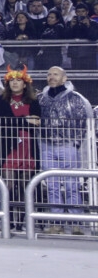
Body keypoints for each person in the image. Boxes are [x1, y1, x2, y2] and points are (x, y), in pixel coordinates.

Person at [37, 66, 92, 228]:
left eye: (55, 74)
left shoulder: (75, 98)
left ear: (64, 78)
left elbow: (83, 121)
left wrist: (75, 143)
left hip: (68, 146)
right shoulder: (41, 98)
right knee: (52, 186)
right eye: (49, 74)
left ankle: (77, 223)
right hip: (47, 146)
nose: (51, 77)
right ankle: (56, 222)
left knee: (72, 185)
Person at [0, 68, 40, 232]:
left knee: (25, 184)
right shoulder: (1, 100)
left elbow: (37, 122)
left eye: (18, 80)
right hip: (9, 145)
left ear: (25, 83)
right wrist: (25, 120)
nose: (14, 82)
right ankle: (9, 220)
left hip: (28, 147)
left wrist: (17, 121)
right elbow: (2, 122)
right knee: (9, 184)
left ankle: (23, 220)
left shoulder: (33, 101)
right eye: (11, 80)